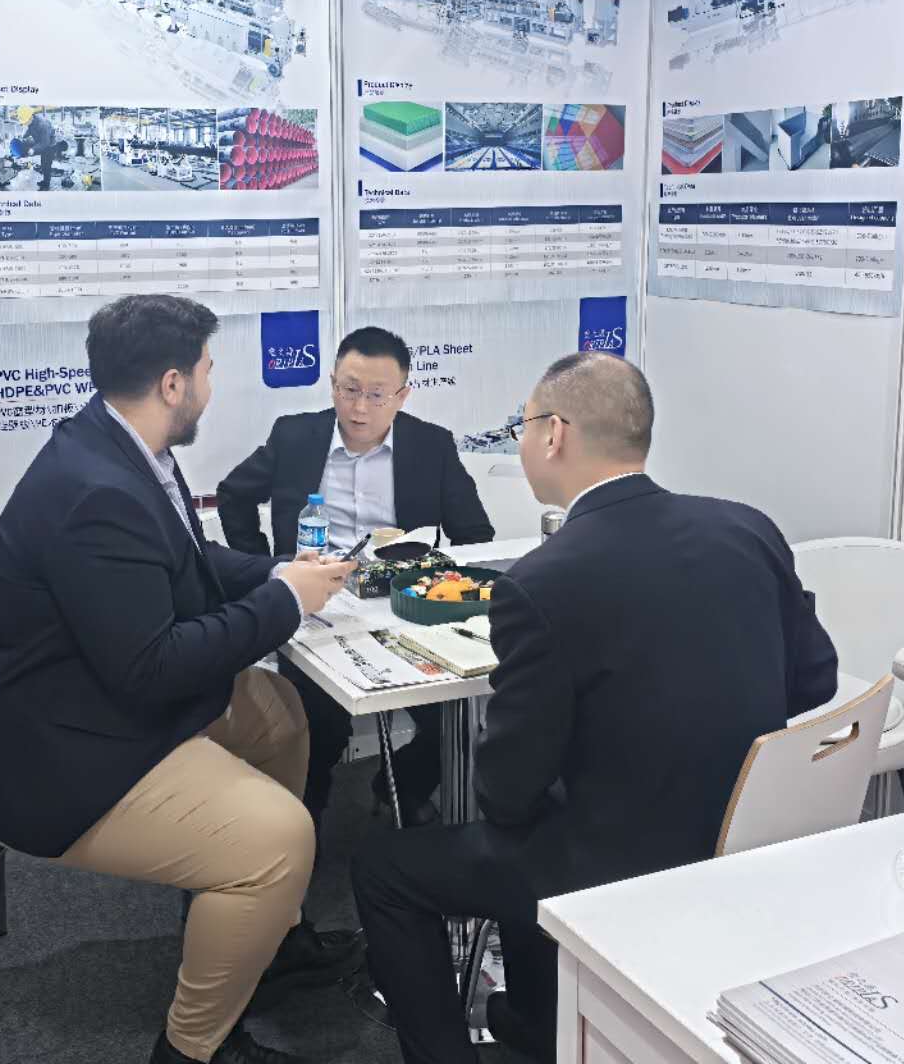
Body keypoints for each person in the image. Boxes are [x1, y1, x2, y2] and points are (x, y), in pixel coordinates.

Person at [351, 352, 839, 1064]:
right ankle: (535, 1021)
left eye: (521, 426)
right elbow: (815, 681)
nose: (521, 441)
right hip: (749, 829)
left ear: (554, 434)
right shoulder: (748, 528)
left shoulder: (542, 582)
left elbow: (505, 795)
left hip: (612, 863)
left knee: (383, 866)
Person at [0, 294, 363, 1064]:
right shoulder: (96, 491)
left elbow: (187, 563)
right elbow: (152, 668)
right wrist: (285, 602)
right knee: (279, 841)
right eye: (206, 368)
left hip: (88, 700)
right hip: (47, 750)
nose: (212, 383)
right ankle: (190, 1049)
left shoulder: (121, 446)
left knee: (277, 709)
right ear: (173, 384)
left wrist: (281, 572)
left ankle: (269, 939)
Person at [217, 326, 494, 830]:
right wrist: (267, 569)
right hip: (314, 609)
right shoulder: (295, 436)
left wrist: (433, 580)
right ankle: (305, 830)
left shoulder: (431, 445)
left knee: (454, 714)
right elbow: (234, 495)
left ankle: (400, 785)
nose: (359, 408)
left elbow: (476, 535)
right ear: (332, 385)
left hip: (406, 607)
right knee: (317, 726)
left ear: (402, 396)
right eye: (349, 390)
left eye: (376, 395)